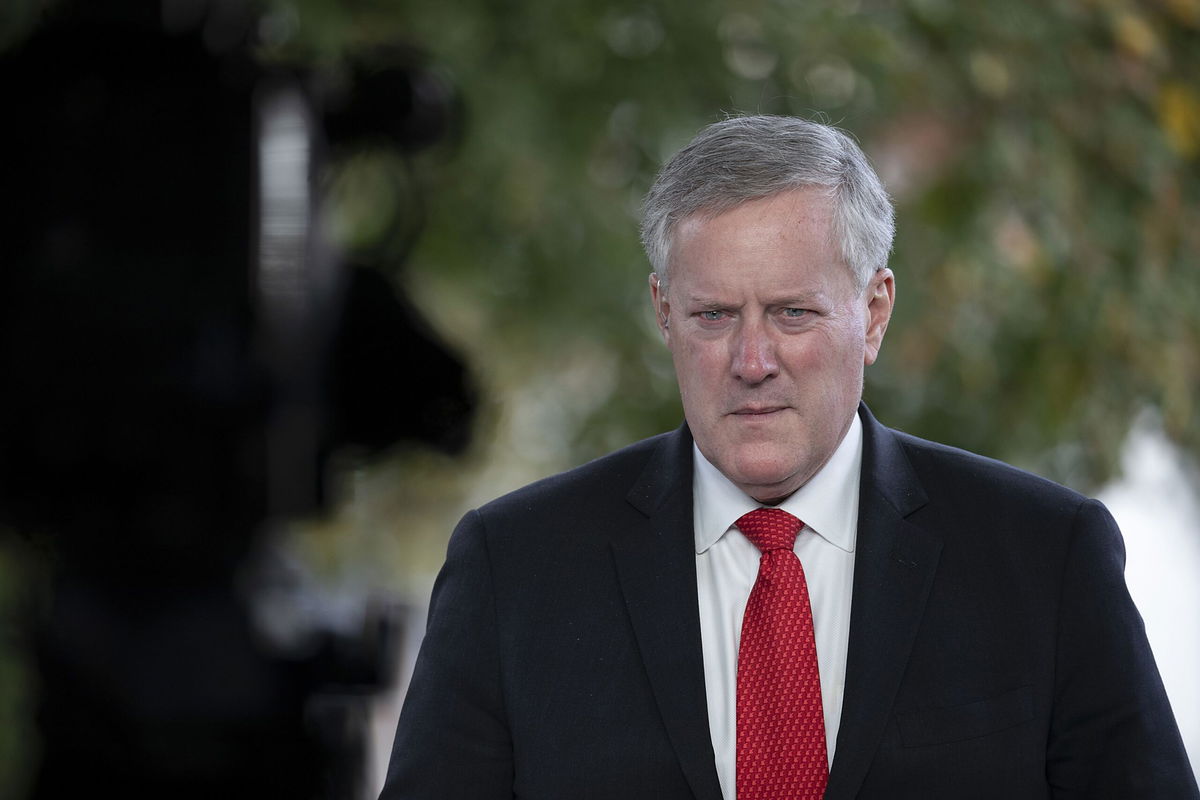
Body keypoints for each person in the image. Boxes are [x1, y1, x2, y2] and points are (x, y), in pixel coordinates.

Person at [378, 115, 1198, 799]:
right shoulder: (514, 567)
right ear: (663, 312)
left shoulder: (1045, 557)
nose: (752, 358)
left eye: (794, 313)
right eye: (712, 315)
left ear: (874, 313)